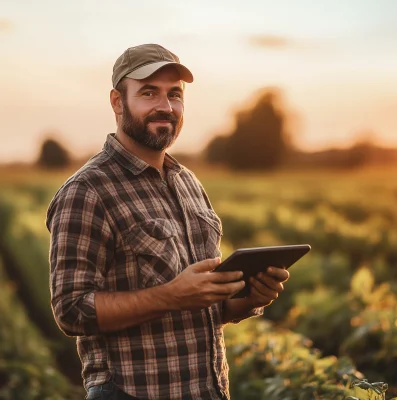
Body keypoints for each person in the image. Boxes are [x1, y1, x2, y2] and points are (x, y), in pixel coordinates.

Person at [46, 43, 290, 400]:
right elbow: (70, 310)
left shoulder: (188, 183)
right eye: (149, 93)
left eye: (174, 95)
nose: (165, 106)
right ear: (117, 102)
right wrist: (170, 296)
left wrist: (248, 298)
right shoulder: (88, 191)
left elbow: (204, 306)